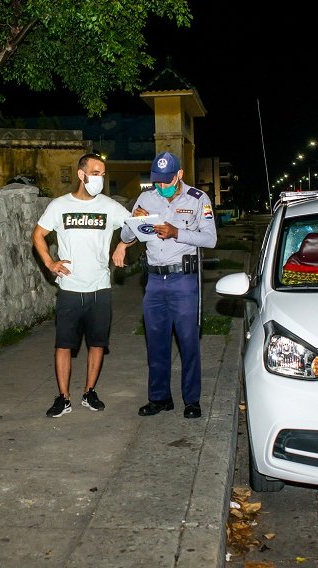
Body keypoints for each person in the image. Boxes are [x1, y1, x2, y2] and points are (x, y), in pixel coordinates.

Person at [115, 151, 217, 419]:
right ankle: (159, 398)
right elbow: (128, 235)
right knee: (156, 342)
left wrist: (176, 232)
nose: (161, 186)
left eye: (166, 180)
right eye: (157, 181)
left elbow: (210, 239)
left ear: (179, 175)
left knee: (188, 342)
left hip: (183, 280)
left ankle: (191, 400)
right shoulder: (147, 197)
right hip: (154, 281)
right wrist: (133, 220)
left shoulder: (197, 199)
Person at [32, 152, 131, 418]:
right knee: (64, 345)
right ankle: (63, 398)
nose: (100, 178)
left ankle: (89, 392)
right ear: (81, 174)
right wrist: (50, 263)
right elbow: (38, 235)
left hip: (100, 287)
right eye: (95, 173)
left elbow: (136, 226)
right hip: (70, 288)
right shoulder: (59, 205)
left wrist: (122, 243)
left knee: (97, 343)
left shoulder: (109, 206)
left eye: (102, 174)